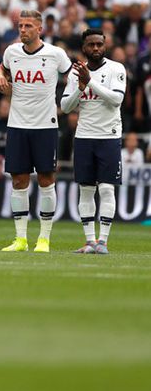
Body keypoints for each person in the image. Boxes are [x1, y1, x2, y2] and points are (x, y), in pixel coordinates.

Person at [0, 10, 72, 253]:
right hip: (17, 124)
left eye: (28, 25)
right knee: (18, 180)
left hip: (45, 125)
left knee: (47, 179)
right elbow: (2, 67)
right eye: (20, 25)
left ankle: (44, 239)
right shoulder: (12, 52)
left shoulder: (55, 54)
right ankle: (20, 239)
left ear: (40, 29)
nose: (23, 29)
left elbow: (72, 75)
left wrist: (67, 101)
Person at [60, 28, 125, 255]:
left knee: (107, 189)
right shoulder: (76, 74)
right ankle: (89, 241)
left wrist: (91, 82)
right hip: (84, 137)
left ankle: (103, 242)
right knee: (86, 190)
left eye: (99, 44)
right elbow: (66, 107)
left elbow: (116, 99)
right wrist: (80, 87)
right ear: (84, 48)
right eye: (91, 45)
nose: (96, 48)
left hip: (108, 136)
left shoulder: (116, 68)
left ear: (104, 45)